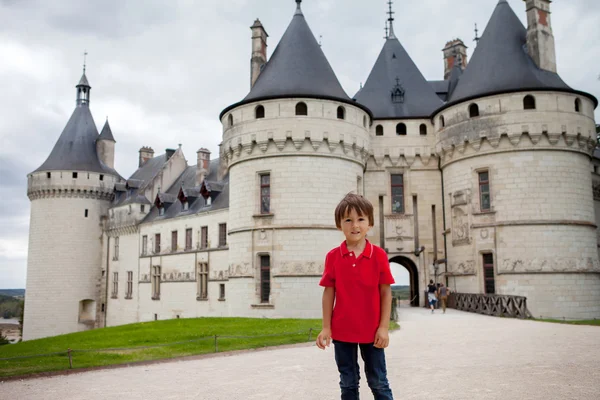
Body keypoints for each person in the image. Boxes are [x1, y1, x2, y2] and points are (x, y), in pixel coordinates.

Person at [316, 193, 395, 400]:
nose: (355, 225)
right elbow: (328, 293)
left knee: (378, 382)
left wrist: (384, 327)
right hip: (342, 331)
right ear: (339, 225)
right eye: (348, 220)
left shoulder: (378, 255)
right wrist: (326, 327)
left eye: (361, 219)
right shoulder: (333, 256)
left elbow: (386, 292)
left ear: (369, 223)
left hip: (373, 332)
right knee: (348, 383)